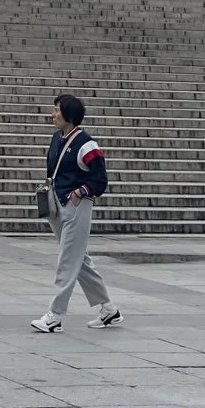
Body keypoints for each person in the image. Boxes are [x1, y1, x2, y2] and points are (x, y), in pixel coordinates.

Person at [33, 93, 120, 332]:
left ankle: (55, 315)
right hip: (58, 205)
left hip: (77, 206)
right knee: (79, 259)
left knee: (68, 260)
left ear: (69, 114)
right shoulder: (56, 138)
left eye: (56, 110)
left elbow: (100, 179)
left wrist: (81, 191)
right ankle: (109, 310)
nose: (53, 114)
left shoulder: (86, 144)